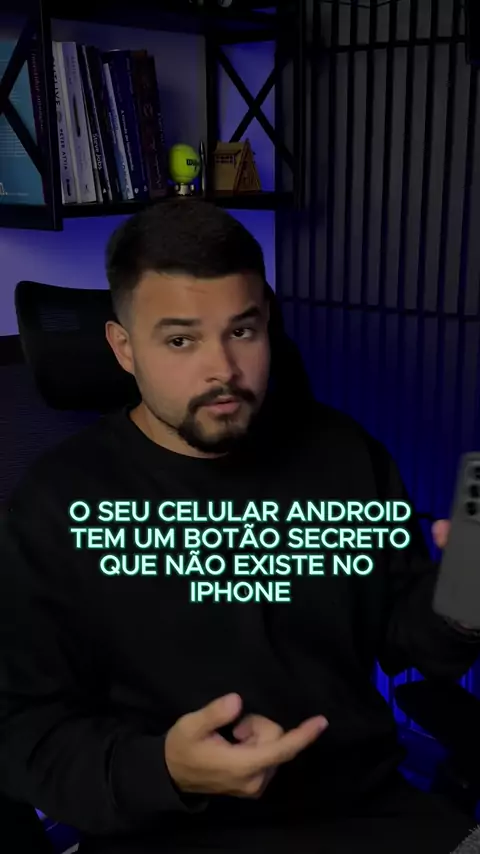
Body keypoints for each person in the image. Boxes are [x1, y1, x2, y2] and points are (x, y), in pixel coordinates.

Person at [0, 199, 479, 854]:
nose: (222, 370)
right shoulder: (56, 502)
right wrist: (165, 770)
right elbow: (24, 732)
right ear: (123, 348)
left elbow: (412, 640)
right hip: (163, 826)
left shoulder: (344, 453)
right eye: (180, 340)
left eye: (243, 331)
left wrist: (463, 603)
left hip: (363, 809)